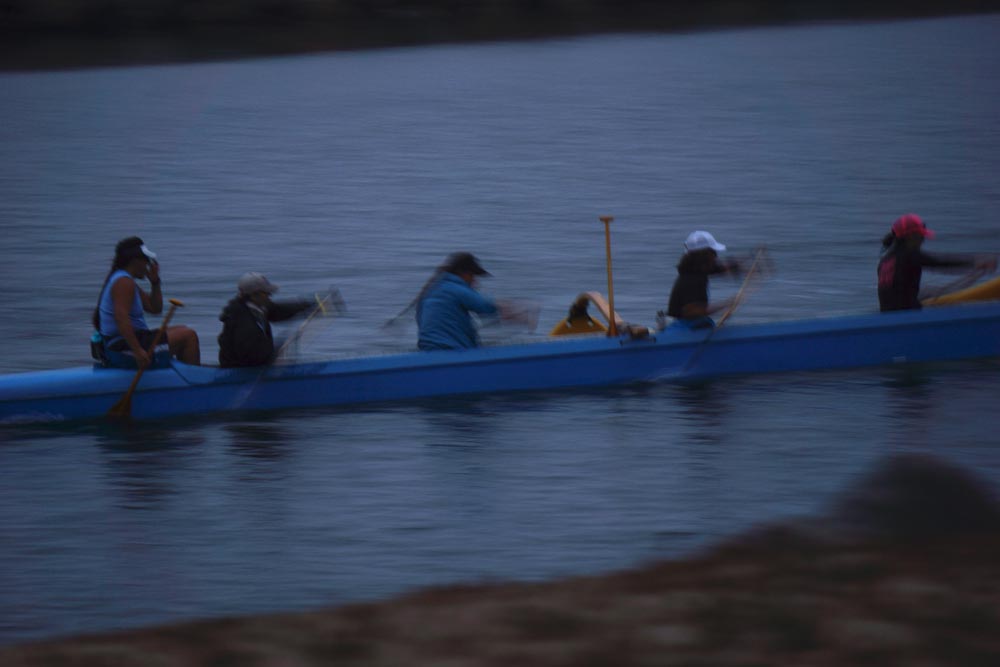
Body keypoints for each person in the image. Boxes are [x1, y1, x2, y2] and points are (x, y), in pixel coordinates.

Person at [92, 237, 200, 367]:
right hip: (122, 348)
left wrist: (155, 282)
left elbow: (155, 308)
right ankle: (193, 379)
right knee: (189, 336)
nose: (148, 265)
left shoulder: (125, 280)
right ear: (135, 261)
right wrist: (137, 351)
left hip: (125, 342)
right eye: (146, 261)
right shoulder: (124, 282)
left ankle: (184, 374)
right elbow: (121, 318)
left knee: (183, 329)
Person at [877, 214, 996, 312]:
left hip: (889, 317)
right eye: (921, 235)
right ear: (910, 236)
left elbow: (894, 293)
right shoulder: (910, 255)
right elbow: (942, 262)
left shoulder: (884, 261)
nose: (923, 240)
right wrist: (976, 262)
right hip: (908, 318)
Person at [416, 252, 529, 351]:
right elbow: (485, 306)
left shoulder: (429, 294)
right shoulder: (454, 287)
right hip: (452, 350)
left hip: (427, 352)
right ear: (462, 272)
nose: (475, 281)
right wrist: (516, 309)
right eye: (472, 275)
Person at [218, 272, 317, 367]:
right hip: (238, 373)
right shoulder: (243, 321)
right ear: (254, 295)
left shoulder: (257, 307)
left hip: (252, 367)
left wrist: (309, 306)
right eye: (266, 293)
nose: (270, 295)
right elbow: (250, 356)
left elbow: (279, 311)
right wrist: (277, 352)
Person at [664, 231, 742, 329]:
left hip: (686, 324)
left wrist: (738, 266)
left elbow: (719, 269)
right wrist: (727, 304)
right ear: (704, 255)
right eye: (713, 252)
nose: (716, 256)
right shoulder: (693, 280)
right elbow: (691, 311)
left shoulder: (695, 269)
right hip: (684, 328)